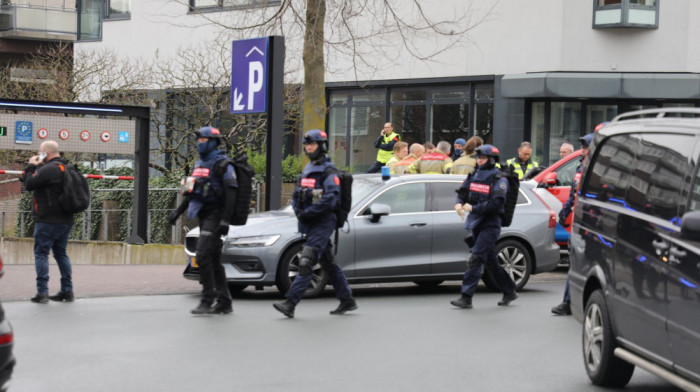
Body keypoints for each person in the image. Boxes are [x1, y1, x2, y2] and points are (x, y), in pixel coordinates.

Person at [273, 129, 357, 318]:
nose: (309, 148)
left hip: (323, 222)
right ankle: (347, 299)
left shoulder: (328, 171)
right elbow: (297, 195)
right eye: (307, 145)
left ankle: (290, 303)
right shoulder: (308, 169)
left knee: (306, 261)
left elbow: (331, 198)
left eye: (312, 144)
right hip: (310, 222)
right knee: (328, 262)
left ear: (322, 146)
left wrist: (309, 212)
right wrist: (298, 211)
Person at [169, 126, 238, 315]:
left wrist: (225, 220)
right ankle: (225, 302)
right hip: (203, 215)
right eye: (198, 141)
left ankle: (207, 300)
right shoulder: (198, 165)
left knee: (201, 256)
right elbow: (191, 193)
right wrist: (177, 212)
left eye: (203, 141)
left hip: (216, 216)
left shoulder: (223, 164)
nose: (200, 144)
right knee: (214, 260)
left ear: (214, 142)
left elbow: (232, 193)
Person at [451, 144, 518, 309]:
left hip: (490, 225)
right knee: (491, 263)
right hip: (475, 223)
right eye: (478, 157)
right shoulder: (474, 174)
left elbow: (496, 204)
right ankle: (510, 290)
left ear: (492, 159)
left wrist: (473, 208)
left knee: (475, 258)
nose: (479, 160)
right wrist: (459, 204)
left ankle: (466, 297)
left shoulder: (499, 178)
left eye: (483, 157)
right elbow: (463, 192)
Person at [21, 141, 76, 304]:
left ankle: (42, 292)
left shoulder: (49, 169)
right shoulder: (66, 168)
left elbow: (29, 183)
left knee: (41, 254)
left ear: (46, 152)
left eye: (40, 152)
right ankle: (67, 290)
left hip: (47, 220)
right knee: (61, 254)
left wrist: (31, 165)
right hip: (66, 220)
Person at [551, 133, 594, 316]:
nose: (582, 151)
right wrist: (565, 211)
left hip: (593, 225)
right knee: (575, 262)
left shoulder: (597, 168)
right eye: (582, 148)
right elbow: (574, 194)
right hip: (580, 223)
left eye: (585, 147)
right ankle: (568, 302)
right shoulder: (580, 167)